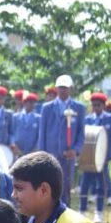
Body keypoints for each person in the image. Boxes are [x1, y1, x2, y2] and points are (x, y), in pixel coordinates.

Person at [80, 92, 111, 223]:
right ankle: (82, 211)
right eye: (93, 105)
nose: (95, 107)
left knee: (101, 185)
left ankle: (99, 213)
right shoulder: (87, 119)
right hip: (88, 157)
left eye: (98, 105)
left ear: (103, 105)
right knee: (85, 184)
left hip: (103, 157)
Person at [38, 74, 85, 206]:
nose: (62, 90)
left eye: (65, 88)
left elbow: (81, 133)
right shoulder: (47, 107)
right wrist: (42, 154)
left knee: (66, 185)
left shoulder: (79, 108)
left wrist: (75, 150)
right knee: (49, 185)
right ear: (56, 89)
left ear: (71, 89)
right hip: (50, 154)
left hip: (68, 155)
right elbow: (42, 133)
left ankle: (65, 212)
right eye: (60, 88)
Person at [10, 92, 40, 158]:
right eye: (30, 102)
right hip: (18, 151)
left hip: (32, 152)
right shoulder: (15, 116)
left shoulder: (38, 118)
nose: (32, 104)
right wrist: (14, 145)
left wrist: (35, 149)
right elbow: (12, 133)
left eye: (34, 103)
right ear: (24, 103)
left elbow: (39, 136)